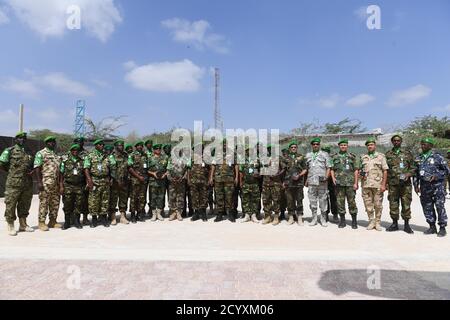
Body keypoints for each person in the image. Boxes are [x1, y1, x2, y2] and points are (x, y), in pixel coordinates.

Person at [0, 132, 34, 236]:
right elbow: (2, 164)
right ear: (16, 139)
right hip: (13, 183)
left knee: (25, 204)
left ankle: (23, 224)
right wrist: (12, 173)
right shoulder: (9, 150)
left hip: (27, 183)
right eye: (20, 138)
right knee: (11, 204)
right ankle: (10, 225)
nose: (22, 140)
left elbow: (31, 165)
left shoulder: (28, 151)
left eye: (24, 138)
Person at [414, 138, 449, 237]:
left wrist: (437, 175)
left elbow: (446, 171)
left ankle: (442, 228)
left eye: (425, 144)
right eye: (422, 144)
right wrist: (416, 185)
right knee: (427, 206)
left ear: (430, 146)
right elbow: (416, 173)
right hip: (425, 187)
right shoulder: (418, 158)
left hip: (437, 186)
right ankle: (432, 226)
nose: (422, 146)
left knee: (439, 206)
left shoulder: (438, 157)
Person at [385, 135, 416, 234]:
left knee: (406, 203)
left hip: (405, 184)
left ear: (401, 141)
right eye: (394, 140)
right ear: (392, 142)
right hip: (393, 184)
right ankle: (394, 224)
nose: (396, 142)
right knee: (393, 203)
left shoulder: (407, 153)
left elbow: (414, 167)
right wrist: (385, 183)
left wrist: (408, 174)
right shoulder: (388, 154)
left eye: (398, 140)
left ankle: (406, 225)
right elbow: (385, 169)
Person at [330, 139, 360, 229]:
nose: (343, 146)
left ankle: (354, 221)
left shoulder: (352, 156)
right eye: (341, 145)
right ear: (339, 146)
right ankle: (342, 221)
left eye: (345, 145)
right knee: (340, 202)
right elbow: (332, 169)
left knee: (352, 202)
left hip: (350, 184)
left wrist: (356, 182)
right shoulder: (334, 157)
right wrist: (333, 178)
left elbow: (356, 170)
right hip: (339, 183)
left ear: (347, 146)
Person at [360, 138, 388, 231]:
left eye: (371, 144)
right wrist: (361, 174)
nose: (370, 146)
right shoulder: (363, 157)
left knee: (378, 204)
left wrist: (384, 184)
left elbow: (385, 171)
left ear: (375, 146)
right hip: (366, 185)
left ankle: (378, 222)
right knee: (368, 204)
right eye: (368, 145)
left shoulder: (381, 156)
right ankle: (371, 221)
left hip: (378, 185)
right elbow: (360, 170)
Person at [34, 136, 62, 231]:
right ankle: (41, 222)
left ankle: (52, 221)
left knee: (55, 202)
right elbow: (37, 168)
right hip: (46, 182)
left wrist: (60, 183)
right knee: (44, 202)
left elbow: (59, 170)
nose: (53, 143)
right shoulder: (41, 153)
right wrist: (39, 182)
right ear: (46, 143)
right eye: (50, 142)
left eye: (54, 142)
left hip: (56, 183)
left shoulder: (56, 155)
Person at [84, 139, 112, 228]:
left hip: (105, 181)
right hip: (94, 180)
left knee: (105, 200)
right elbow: (86, 168)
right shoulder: (90, 155)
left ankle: (103, 218)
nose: (102, 146)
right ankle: (94, 219)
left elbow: (111, 167)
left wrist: (110, 178)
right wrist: (89, 180)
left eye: (102, 144)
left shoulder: (107, 156)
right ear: (95, 146)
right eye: (99, 144)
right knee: (93, 201)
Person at [209, 140, 238, 222]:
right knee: (219, 196)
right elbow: (213, 166)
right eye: (223, 144)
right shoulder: (217, 154)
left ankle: (231, 214)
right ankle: (219, 214)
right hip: (218, 179)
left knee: (230, 197)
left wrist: (236, 177)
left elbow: (236, 165)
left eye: (226, 144)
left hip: (229, 179)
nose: (225, 145)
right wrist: (211, 177)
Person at [305, 138, 332, 227]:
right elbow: (307, 169)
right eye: (314, 144)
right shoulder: (308, 155)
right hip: (312, 181)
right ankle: (314, 219)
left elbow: (329, 167)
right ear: (312, 145)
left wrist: (326, 177)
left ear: (319, 145)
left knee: (323, 201)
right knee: (312, 201)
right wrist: (306, 180)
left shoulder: (325, 154)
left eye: (317, 144)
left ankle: (323, 219)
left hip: (322, 182)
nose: (315, 145)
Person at [282, 141, 307, 225]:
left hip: (298, 183)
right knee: (290, 201)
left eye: (295, 147)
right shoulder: (286, 158)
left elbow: (305, 169)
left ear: (297, 148)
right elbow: (283, 170)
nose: (293, 148)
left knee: (299, 200)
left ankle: (299, 217)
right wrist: (283, 181)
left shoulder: (301, 157)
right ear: (289, 148)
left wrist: (299, 175)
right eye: (292, 147)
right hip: (288, 183)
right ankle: (291, 217)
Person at [59, 144, 84, 230]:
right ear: (71, 151)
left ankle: (77, 221)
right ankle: (67, 222)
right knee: (67, 204)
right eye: (73, 150)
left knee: (78, 204)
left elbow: (84, 173)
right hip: (68, 185)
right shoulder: (65, 161)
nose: (75, 152)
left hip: (79, 186)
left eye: (77, 150)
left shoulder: (82, 161)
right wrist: (61, 186)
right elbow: (61, 174)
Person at [261, 145, 284, 225]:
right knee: (266, 200)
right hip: (265, 182)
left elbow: (284, 168)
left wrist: (278, 174)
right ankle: (267, 216)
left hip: (276, 183)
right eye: (269, 149)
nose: (271, 150)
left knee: (276, 200)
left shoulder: (279, 158)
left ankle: (276, 217)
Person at [109, 140, 130, 225]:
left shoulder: (126, 155)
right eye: (119, 145)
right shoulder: (112, 156)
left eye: (122, 145)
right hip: (115, 181)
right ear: (115, 146)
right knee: (113, 199)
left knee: (123, 199)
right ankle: (113, 217)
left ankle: (122, 216)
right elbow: (110, 169)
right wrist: (116, 179)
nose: (121, 146)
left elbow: (128, 167)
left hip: (124, 181)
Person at [128, 141, 149, 223]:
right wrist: (138, 176)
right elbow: (130, 168)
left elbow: (146, 167)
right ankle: (133, 214)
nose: (140, 147)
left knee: (142, 197)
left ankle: (139, 214)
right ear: (136, 147)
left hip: (143, 179)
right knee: (134, 197)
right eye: (138, 146)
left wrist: (143, 177)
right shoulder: (132, 155)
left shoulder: (145, 155)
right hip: (135, 179)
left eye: (141, 146)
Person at [239, 146, 261, 223]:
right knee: (245, 199)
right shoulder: (242, 160)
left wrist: (258, 175)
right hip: (245, 183)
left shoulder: (257, 160)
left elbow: (261, 170)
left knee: (255, 199)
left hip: (255, 183)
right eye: (247, 150)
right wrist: (241, 182)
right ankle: (247, 215)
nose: (249, 152)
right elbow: (241, 172)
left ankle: (254, 215)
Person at [188, 143, 210, 222]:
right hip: (194, 181)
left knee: (203, 197)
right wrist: (188, 179)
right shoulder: (192, 158)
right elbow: (188, 169)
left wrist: (209, 179)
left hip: (203, 181)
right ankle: (196, 213)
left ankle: (203, 213)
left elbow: (210, 169)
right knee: (194, 197)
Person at [167, 149, 189, 221]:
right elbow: (168, 170)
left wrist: (183, 178)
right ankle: (173, 213)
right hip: (172, 182)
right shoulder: (170, 159)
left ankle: (179, 212)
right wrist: (171, 179)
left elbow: (186, 170)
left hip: (181, 182)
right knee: (172, 197)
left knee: (180, 197)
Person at [148, 143, 169, 221]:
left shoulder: (165, 157)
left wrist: (165, 174)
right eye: (156, 149)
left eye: (159, 149)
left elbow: (168, 168)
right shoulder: (150, 158)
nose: (158, 150)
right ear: (154, 150)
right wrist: (153, 173)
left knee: (161, 197)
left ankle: (159, 213)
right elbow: (146, 170)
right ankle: (153, 214)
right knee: (153, 198)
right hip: (153, 181)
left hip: (162, 181)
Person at [74, 137, 90, 226]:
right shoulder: (70, 153)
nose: (79, 144)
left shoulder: (86, 154)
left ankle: (85, 218)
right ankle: (74, 219)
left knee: (85, 200)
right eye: (77, 142)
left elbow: (89, 167)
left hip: (83, 181)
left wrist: (88, 180)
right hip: (72, 181)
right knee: (73, 201)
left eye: (81, 142)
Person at [322, 145, 338, 222]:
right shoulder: (320, 158)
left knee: (334, 198)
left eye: (327, 151)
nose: (325, 153)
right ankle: (326, 214)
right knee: (324, 198)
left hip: (331, 181)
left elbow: (333, 169)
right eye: (324, 151)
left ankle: (335, 214)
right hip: (323, 181)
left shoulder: (332, 159)